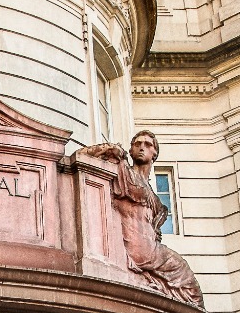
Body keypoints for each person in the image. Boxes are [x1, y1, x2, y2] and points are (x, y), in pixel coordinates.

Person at [81, 130, 204, 308]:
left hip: (150, 248)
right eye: (137, 144)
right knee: (189, 283)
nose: (141, 147)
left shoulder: (152, 193)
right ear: (130, 151)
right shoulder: (123, 171)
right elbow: (82, 155)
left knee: (191, 292)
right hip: (140, 249)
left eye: (147, 145)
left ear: (155, 153)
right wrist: (108, 148)